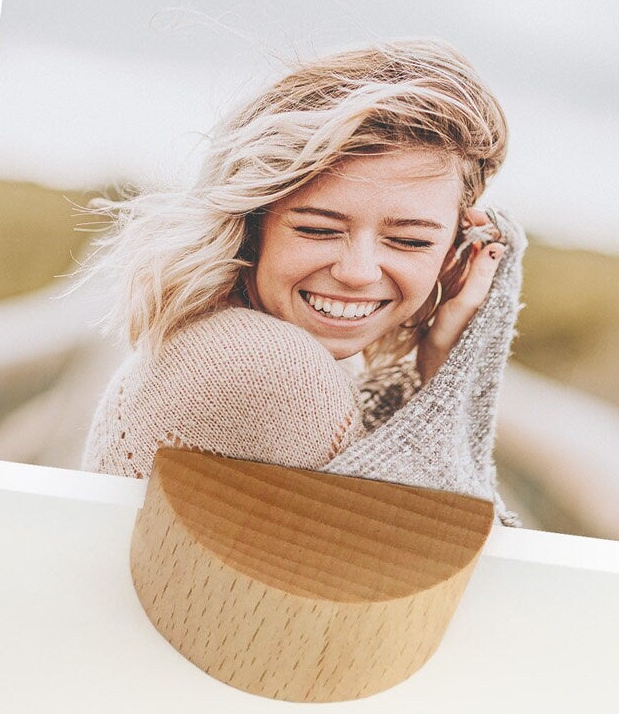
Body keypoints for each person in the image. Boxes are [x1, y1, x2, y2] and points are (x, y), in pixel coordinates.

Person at [80, 40, 520, 514]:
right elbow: (434, 548)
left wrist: (436, 360)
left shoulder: (253, 335)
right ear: (251, 225)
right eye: (318, 229)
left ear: (455, 252)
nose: (357, 272)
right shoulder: (271, 366)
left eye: (410, 241)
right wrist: (452, 377)